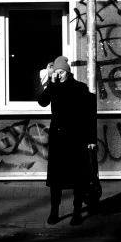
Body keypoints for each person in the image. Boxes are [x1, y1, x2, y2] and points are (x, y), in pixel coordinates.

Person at [38, 56, 97, 226]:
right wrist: (52, 83)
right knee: (56, 179)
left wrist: (91, 138)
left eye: (62, 71)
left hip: (76, 138)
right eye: (56, 72)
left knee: (78, 178)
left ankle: (77, 211)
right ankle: (54, 211)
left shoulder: (79, 89)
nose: (59, 74)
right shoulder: (54, 88)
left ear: (68, 72)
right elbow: (42, 102)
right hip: (58, 139)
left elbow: (89, 115)